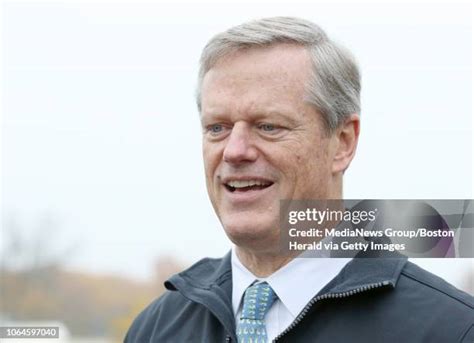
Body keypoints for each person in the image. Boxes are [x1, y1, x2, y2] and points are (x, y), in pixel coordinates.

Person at [125, 17, 474, 342]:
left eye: (268, 126)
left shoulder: (452, 330)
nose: (234, 151)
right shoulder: (155, 329)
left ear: (343, 142)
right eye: (218, 128)